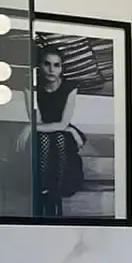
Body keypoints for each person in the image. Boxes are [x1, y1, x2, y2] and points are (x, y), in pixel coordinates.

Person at [25, 45, 85, 217]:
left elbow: (63, 123)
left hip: (63, 137)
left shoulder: (70, 88)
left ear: (62, 68)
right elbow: (38, 121)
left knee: (58, 138)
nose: (52, 70)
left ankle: (54, 192)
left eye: (57, 65)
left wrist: (70, 130)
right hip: (45, 134)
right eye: (47, 64)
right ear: (39, 66)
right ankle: (46, 191)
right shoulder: (31, 86)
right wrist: (34, 126)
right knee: (45, 139)